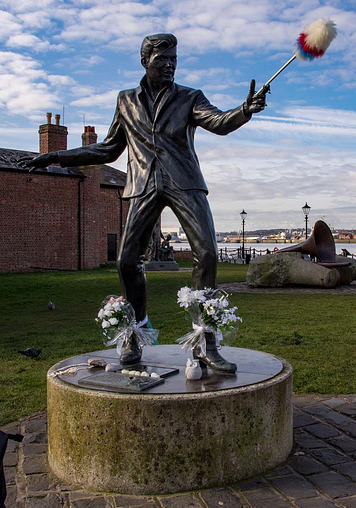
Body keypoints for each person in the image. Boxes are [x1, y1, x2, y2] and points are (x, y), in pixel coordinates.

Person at [21, 33, 266, 371]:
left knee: (208, 253)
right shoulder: (126, 101)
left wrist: (244, 111)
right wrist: (57, 157)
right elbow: (108, 149)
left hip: (185, 182)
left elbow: (219, 122)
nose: (170, 66)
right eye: (163, 60)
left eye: (174, 60)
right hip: (142, 184)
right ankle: (135, 334)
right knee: (125, 262)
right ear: (145, 61)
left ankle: (205, 342)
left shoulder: (189, 97)